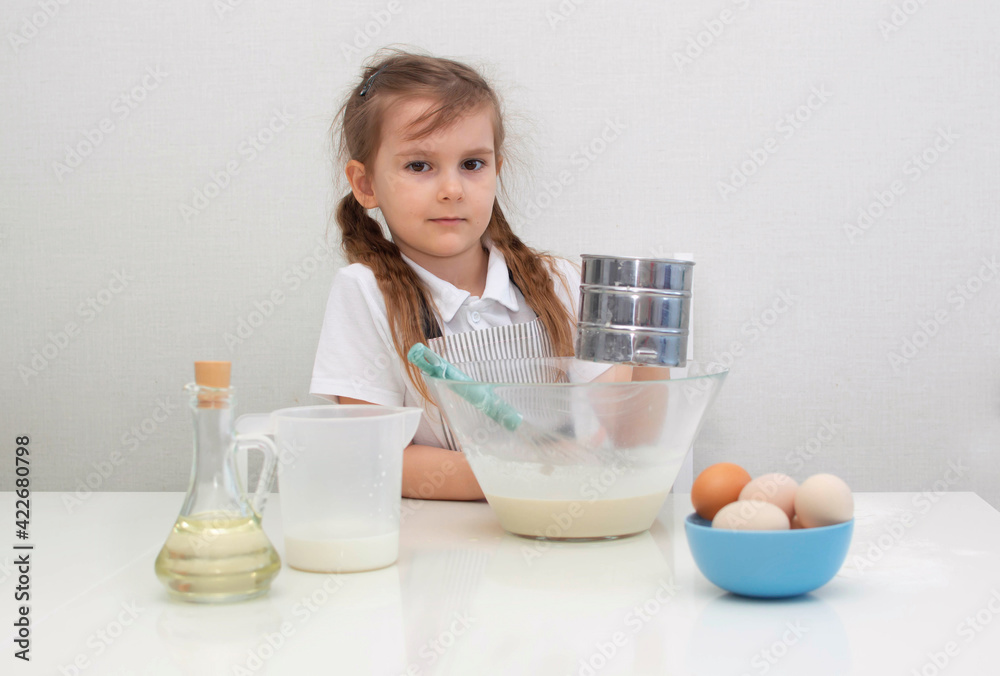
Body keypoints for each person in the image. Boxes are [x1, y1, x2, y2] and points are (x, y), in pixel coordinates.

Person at [310, 47, 654, 501]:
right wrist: (523, 472)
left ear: (496, 169)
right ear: (366, 184)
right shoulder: (365, 294)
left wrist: (646, 341)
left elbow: (619, 437)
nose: (452, 190)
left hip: (565, 529)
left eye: (472, 164)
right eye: (419, 165)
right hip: (444, 553)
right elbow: (374, 457)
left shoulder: (560, 284)